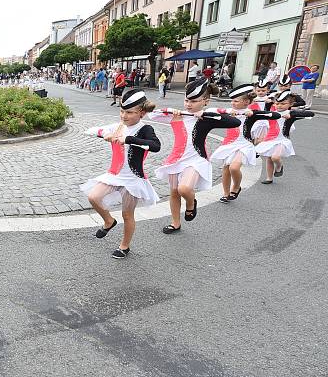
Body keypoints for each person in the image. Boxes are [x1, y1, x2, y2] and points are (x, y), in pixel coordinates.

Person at [150, 78, 240, 233]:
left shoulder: (207, 117)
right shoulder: (178, 115)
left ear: (205, 101)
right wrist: (172, 110)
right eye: (186, 100)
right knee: (174, 192)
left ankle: (191, 204)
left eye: (193, 101)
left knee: (184, 189)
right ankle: (175, 222)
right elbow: (153, 115)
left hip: (196, 159)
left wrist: (205, 114)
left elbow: (234, 122)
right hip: (176, 159)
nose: (188, 104)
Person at [81, 89, 161, 259]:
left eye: (129, 112)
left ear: (142, 113)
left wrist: (129, 140)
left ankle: (124, 246)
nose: (124, 116)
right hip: (114, 174)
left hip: (133, 178)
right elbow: (90, 130)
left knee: (127, 214)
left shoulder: (145, 128)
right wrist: (105, 134)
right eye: (122, 111)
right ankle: (109, 221)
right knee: (94, 197)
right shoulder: (118, 126)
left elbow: (155, 146)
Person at [210, 85, 279, 203]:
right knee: (226, 169)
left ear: (246, 102)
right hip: (229, 143)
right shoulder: (229, 112)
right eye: (232, 100)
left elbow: (275, 115)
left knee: (234, 167)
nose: (232, 103)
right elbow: (210, 111)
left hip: (244, 144)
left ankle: (236, 186)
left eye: (236, 101)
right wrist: (225, 111)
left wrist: (253, 113)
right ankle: (226, 194)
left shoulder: (252, 113)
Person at [254, 90, 315, 183]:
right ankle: (269, 178)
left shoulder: (291, 114)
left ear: (290, 104)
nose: (279, 105)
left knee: (275, 157)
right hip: (269, 139)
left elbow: (310, 114)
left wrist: (291, 114)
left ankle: (279, 167)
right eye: (277, 103)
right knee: (269, 158)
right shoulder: (272, 113)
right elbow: (258, 113)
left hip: (282, 140)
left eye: (283, 103)